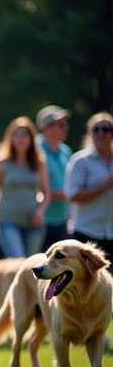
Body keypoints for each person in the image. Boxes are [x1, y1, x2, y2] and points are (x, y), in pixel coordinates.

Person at [0, 117, 50, 258]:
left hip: (34, 223)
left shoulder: (40, 162)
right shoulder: (0, 162)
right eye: (16, 135)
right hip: (8, 221)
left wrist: (40, 210)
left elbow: (46, 193)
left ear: (31, 138)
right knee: (18, 261)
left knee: (32, 263)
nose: (20, 139)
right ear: (10, 138)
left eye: (24, 135)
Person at [65, 112, 113, 267]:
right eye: (96, 129)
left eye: (106, 129)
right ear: (90, 134)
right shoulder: (80, 160)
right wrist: (103, 187)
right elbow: (72, 195)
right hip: (86, 232)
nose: (101, 133)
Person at [36, 105, 72, 250]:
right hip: (39, 220)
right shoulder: (34, 149)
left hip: (62, 220)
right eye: (61, 124)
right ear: (46, 128)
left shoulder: (66, 151)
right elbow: (34, 186)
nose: (66, 128)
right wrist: (69, 194)